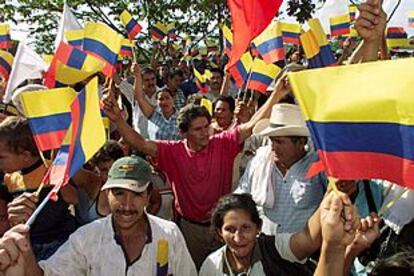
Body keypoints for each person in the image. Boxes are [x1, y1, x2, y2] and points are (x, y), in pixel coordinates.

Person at [103, 75, 291, 268]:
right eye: (198, 129)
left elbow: (251, 126)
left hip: (223, 227)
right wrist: (117, 119)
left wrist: (277, 94)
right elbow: (140, 143)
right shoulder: (172, 151)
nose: (205, 133)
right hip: (191, 230)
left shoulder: (223, 143)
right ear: (184, 133)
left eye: (206, 127)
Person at [0, 156, 197, 275]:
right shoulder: (86, 238)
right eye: (119, 193)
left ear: (148, 195)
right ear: (106, 193)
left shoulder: (169, 234)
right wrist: (24, 251)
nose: (127, 205)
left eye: (136, 194)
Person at [200, 193, 380, 276]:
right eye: (230, 230)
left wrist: (329, 199)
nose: (238, 238)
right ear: (219, 232)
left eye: (246, 228)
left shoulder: (274, 248)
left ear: (259, 227)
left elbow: (307, 239)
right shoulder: (211, 267)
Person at [235, 103, 326, 234]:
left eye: (279, 142)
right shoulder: (259, 161)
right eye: (272, 140)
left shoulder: (318, 165)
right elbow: (242, 195)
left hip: (306, 249)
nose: (273, 147)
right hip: (265, 245)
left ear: (301, 142)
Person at [0, 116, 78, 260]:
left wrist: (59, 180)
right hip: (30, 244)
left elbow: (73, 198)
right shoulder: (10, 179)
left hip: (59, 242)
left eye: (1, 157)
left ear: (25, 155)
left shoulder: (50, 169)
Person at [134, 65, 181, 141]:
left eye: (167, 98)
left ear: (173, 99)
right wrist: (137, 75)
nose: (164, 101)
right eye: (161, 99)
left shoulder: (182, 118)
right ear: (157, 102)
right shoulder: (154, 116)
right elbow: (139, 98)